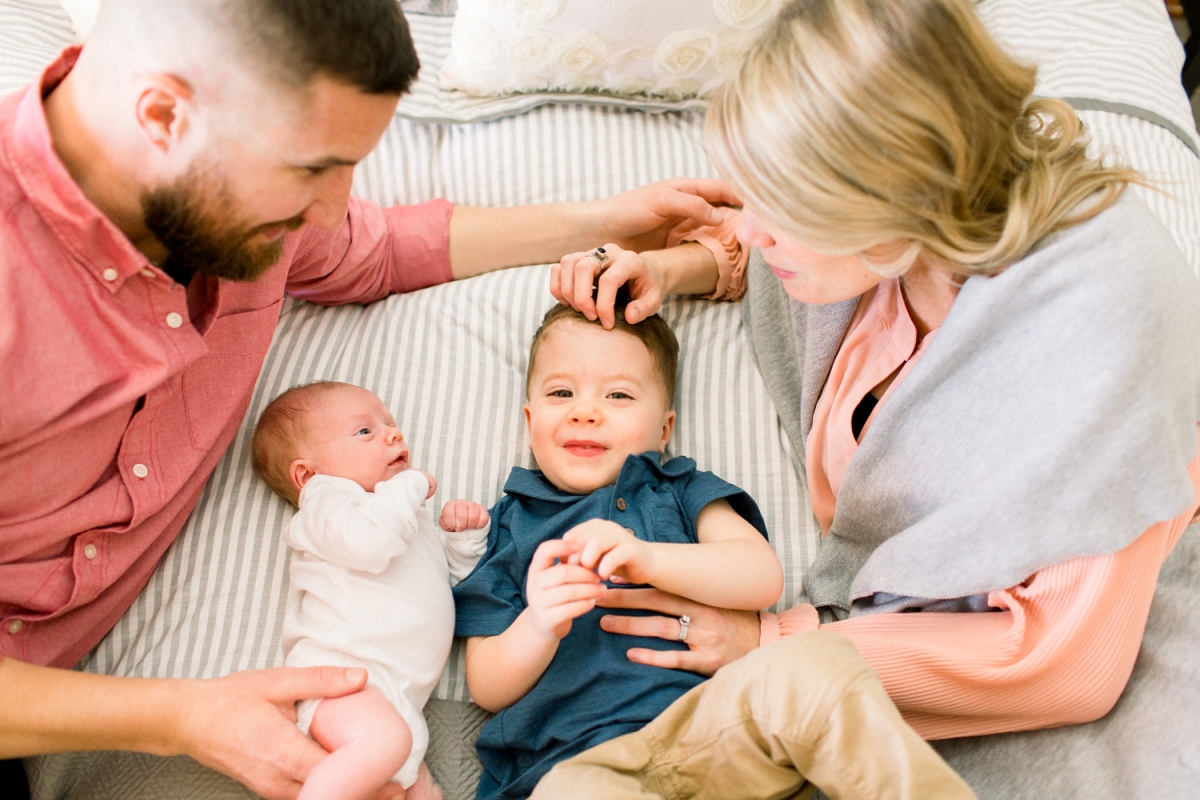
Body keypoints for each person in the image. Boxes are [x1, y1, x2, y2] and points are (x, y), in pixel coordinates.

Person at [0, 0, 743, 796]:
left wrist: (605, 219)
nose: (328, 209)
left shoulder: (239, 201)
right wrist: (181, 716)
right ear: (163, 115)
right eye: (312, 169)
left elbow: (379, 245)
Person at [541, 0, 1200, 797]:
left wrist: (774, 642)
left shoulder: (1098, 330)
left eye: (776, 208)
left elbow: (1070, 663)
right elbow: (800, 270)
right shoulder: (894, 240)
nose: (750, 230)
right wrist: (681, 269)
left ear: (891, 193)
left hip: (1009, 673)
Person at [452, 302, 788, 800]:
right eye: (561, 392)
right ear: (529, 420)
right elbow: (486, 684)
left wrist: (648, 558)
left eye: (618, 394)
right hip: (572, 759)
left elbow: (762, 576)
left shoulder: (679, 489)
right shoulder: (512, 520)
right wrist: (539, 623)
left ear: (664, 430)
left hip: (705, 738)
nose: (584, 411)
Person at [250, 381, 491, 800]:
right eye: (364, 432)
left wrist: (462, 544)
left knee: (418, 790)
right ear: (307, 474)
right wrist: (408, 486)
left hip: (398, 703)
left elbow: (452, 591)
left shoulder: (403, 518)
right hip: (342, 684)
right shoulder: (327, 503)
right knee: (384, 745)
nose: (393, 434)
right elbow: (369, 546)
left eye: (391, 425)